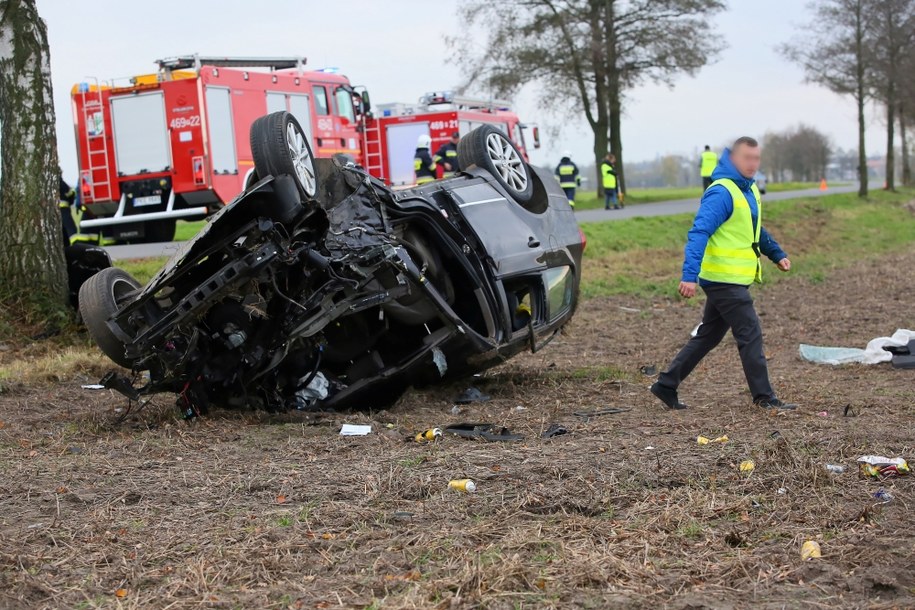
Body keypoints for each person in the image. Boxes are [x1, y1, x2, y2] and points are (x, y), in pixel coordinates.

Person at [650, 136, 798, 411]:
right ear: (732, 158)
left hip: (731, 280)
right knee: (749, 333)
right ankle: (764, 398)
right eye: (747, 158)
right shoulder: (722, 192)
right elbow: (699, 232)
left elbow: (754, 229)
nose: (753, 164)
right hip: (723, 281)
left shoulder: (748, 190)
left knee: (709, 335)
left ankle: (666, 384)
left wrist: (776, 253)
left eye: (756, 158)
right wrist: (689, 275)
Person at [59, 173, 78, 248]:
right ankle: (75, 245)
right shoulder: (62, 183)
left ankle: (65, 246)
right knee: (70, 228)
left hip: (54, 212)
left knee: (62, 229)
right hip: (64, 209)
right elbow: (70, 195)